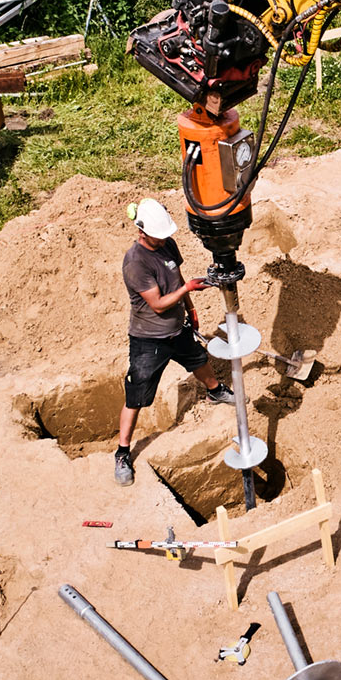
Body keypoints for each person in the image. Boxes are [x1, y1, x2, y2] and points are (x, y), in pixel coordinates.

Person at [113, 198, 234, 487]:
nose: (165, 238)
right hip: (149, 338)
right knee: (136, 396)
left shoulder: (166, 243)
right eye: (159, 234)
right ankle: (122, 452)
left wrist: (191, 308)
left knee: (199, 360)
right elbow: (157, 304)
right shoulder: (135, 263)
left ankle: (215, 392)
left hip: (176, 328)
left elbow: (176, 276)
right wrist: (188, 288)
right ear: (142, 231)